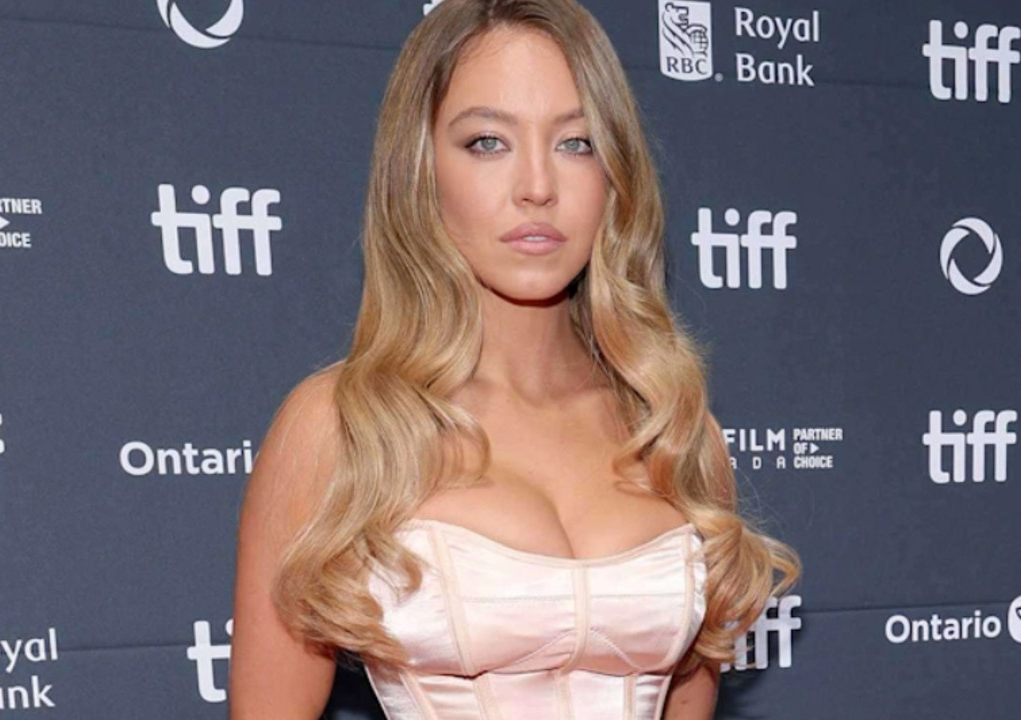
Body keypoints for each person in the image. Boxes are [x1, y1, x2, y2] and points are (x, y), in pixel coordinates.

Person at [228, 1, 799, 718]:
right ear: (420, 169)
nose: (537, 186)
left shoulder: (673, 429)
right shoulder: (342, 428)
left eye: (577, 142)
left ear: (616, 175)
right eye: (488, 142)